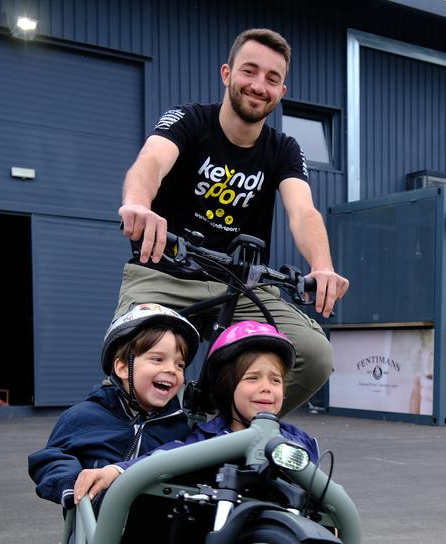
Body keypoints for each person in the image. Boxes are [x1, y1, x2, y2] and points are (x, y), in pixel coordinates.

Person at [116, 27, 348, 415]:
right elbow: (151, 161)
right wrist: (139, 204)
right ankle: (136, 442)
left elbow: (303, 211)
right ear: (227, 74)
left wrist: (322, 266)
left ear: (281, 92)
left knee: (313, 355)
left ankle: (225, 430)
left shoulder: (284, 149)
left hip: (241, 283)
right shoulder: (190, 119)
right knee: (130, 367)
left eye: (272, 78)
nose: (259, 85)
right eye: (249, 71)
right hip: (167, 271)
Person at [74, 320, 318, 503]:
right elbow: (165, 458)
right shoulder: (205, 439)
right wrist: (117, 470)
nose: (267, 388)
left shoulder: (299, 442)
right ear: (226, 387)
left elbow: (319, 493)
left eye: (275, 380)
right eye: (252, 378)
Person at [28, 303, 201, 508]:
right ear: (122, 367)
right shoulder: (83, 416)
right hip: (99, 526)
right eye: (157, 359)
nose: (172, 370)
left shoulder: (180, 429)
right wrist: (69, 482)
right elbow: (52, 457)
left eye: (180, 364)